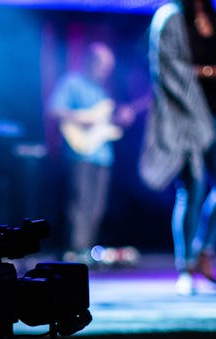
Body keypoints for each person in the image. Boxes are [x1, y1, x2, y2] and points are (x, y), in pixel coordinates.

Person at [139, 0, 216, 295]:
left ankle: (204, 252)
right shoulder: (171, 16)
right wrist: (214, 72)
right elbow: (168, 68)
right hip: (183, 117)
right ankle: (185, 267)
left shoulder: (212, 15)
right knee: (193, 187)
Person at [48, 41, 143, 265]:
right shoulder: (72, 82)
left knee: (97, 206)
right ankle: (76, 251)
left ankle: (88, 251)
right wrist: (86, 118)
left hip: (102, 155)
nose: (106, 70)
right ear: (91, 62)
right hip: (80, 153)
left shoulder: (103, 91)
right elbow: (55, 109)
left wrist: (123, 119)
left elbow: (110, 125)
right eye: (103, 64)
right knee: (80, 203)